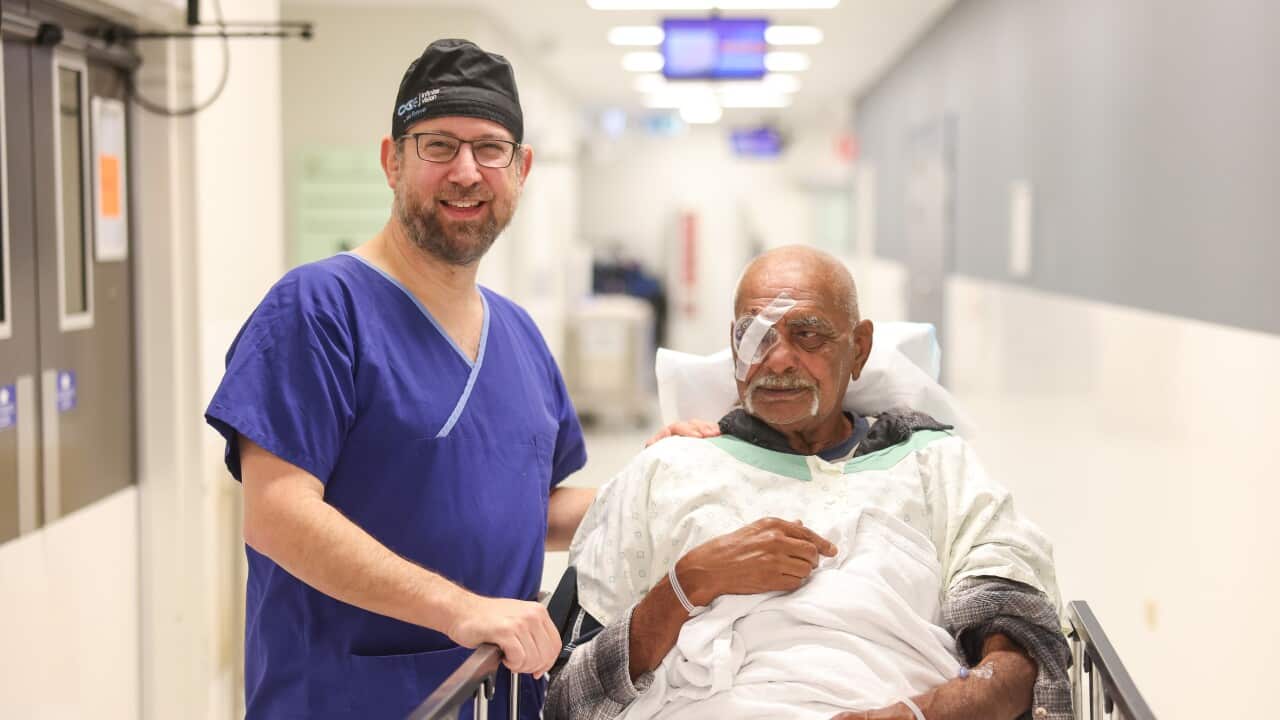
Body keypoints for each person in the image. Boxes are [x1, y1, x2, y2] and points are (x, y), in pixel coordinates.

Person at [205, 39, 654, 719]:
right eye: (438, 146)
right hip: (344, 700)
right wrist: (459, 609)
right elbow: (277, 515)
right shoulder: (318, 310)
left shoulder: (520, 338)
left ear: (522, 168)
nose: (467, 172)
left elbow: (525, 509)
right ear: (392, 161)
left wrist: (663, 483)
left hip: (491, 698)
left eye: (490, 148)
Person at [547, 246, 1072, 720]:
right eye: (755, 335)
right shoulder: (668, 471)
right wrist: (686, 585)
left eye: (809, 334)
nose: (777, 359)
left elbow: (1021, 658)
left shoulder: (935, 467)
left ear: (860, 348)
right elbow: (572, 695)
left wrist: (921, 713)